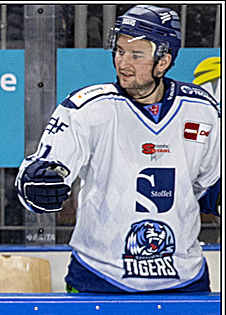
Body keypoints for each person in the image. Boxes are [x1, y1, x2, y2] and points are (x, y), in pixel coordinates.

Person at [16, 5, 221, 294]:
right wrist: (37, 185)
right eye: (120, 51)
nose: (123, 63)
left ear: (163, 61)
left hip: (184, 279)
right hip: (100, 276)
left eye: (136, 55)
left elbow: (211, 187)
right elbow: (39, 174)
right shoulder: (86, 108)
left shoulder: (202, 110)